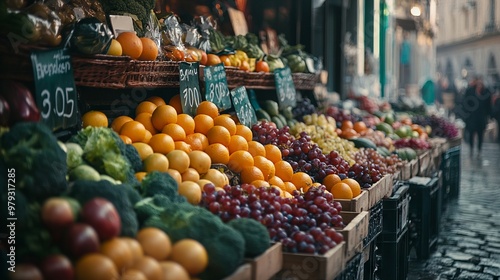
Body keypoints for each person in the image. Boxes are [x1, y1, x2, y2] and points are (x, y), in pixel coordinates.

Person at [462, 76, 492, 156]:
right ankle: (471, 148)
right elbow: (465, 103)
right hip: (472, 118)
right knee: (471, 133)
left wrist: (489, 116)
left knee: (480, 134)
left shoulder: (486, 93)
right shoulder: (470, 91)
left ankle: (479, 149)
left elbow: (488, 106)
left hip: (481, 118)